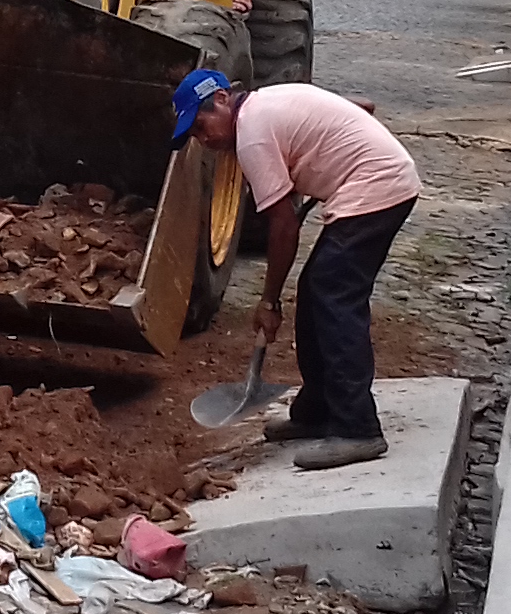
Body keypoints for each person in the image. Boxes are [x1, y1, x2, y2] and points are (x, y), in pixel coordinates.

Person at [172, 69, 419, 471]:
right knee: (315, 289)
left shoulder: (251, 132)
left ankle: (358, 430)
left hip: (379, 186)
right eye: (196, 136)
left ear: (221, 100)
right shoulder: (267, 104)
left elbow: (283, 225)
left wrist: (268, 300)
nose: (206, 140)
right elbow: (362, 108)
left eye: (202, 126)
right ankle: (317, 411)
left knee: (334, 296)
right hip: (374, 181)